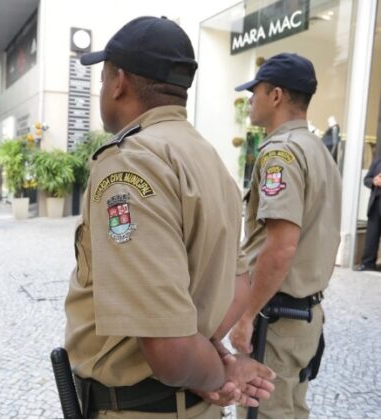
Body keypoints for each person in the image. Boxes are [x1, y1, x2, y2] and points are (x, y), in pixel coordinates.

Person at [64, 16, 276, 419]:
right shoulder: (209, 160)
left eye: (103, 79)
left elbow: (170, 351)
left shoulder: (132, 164)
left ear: (118, 81)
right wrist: (216, 359)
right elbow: (238, 286)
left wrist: (218, 373)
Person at [230, 53, 342, 418]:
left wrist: (246, 315)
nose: (251, 100)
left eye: (256, 92)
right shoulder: (318, 151)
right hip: (305, 316)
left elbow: (281, 246)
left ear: (275, 95)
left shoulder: (281, 153)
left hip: (276, 321)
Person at [356, 157, 381, 271]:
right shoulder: (377, 161)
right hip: (375, 205)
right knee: (372, 236)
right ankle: (367, 264)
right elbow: (367, 179)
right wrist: (374, 181)